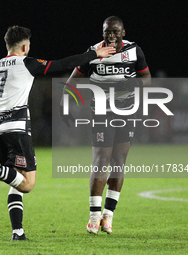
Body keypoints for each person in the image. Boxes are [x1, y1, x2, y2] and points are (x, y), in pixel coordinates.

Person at [0, 25, 115, 240]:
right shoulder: (26, 63)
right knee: (28, 183)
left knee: (16, 179)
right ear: (25, 46)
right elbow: (62, 64)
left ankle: (18, 231)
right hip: (16, 128)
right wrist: (93, 55)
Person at [64, 16, 151, 235]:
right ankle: (94, 215)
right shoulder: (93, 53)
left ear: (123, 32)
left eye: (115, 31)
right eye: (107, 32)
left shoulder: (134, 51)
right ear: (102, 33)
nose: (110, 36)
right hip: (101, 111)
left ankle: (108, 216)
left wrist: (135, 83)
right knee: (101, 159)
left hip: (127, 111)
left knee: (119, 161)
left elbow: (147, 77)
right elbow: (72, 81)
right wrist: (67, 106)